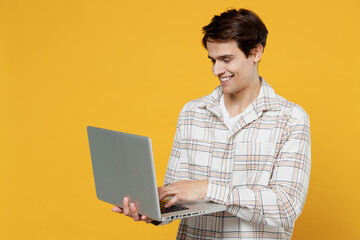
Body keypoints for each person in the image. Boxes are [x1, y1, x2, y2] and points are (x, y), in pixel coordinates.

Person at [112, 8, 311, 240]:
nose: (216, 70)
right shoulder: (192, 112)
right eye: (213, 60)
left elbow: (286, 207)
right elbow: (178, 195)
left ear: (256, 52)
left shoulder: (290, 118)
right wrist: (152, 211)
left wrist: (209, 189)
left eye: (226, 59)